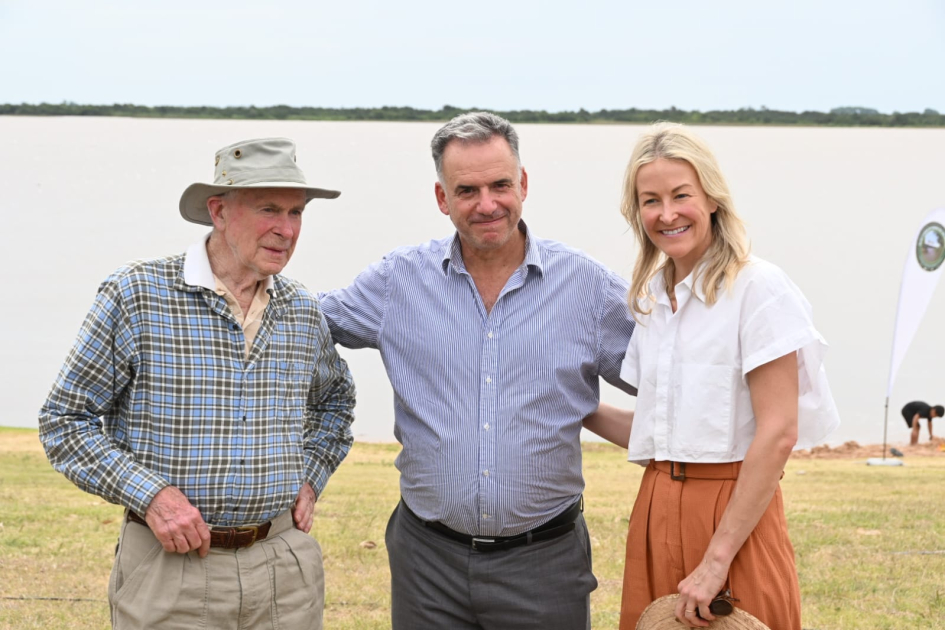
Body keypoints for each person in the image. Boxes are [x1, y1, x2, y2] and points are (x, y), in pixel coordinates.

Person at [318, 111, 636, 629]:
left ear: (524, 184)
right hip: (427, 563)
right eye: (467, 190)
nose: (487, 204)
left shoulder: (587, 289)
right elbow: (306, 322)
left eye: (500, 185)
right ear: (443, 199)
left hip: (545, 564)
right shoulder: (398, 282)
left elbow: (673, 379)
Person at [38, 138, 356, 630]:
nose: (287, 229)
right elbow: (65, 422)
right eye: (269, 209)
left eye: (296, 213)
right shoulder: (136, 295)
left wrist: (311, 474)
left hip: (284, 572)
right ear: (219, 211)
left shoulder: (302, 308)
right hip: (169, 570)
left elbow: (335, 404)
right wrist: (154, 496)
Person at [583, 122, 840, 629]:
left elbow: (779, 431)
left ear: (713, 199)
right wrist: (573, 407)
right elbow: (658, 434)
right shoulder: (654, 296)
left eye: (682, 195)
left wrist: (717, 558)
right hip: (656, 507)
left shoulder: (758, 289)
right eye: (650, 200)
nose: (667, 213)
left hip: (732, 517)